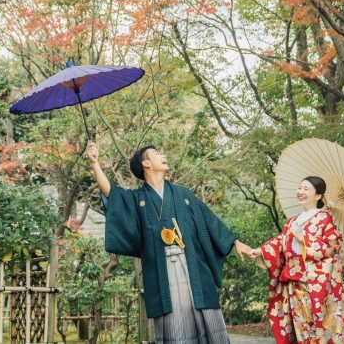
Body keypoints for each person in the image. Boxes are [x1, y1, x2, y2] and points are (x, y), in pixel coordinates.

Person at [86, 141, 253, 344]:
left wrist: (235, 242)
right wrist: (95, 162)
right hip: (162, 272)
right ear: (146, 163)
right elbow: (111, 194)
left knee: (209, 322)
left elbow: (208, 220)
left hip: (193, 268)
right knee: (175, 324)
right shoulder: (138, 199)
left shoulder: (183, 195)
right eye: (157, 153)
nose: (163, 156)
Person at [247, 176, 344, 344]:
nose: (300, 192)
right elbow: (280, 243)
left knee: (318, 327)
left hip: (314, 283)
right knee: (301, 328)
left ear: (318, 196)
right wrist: (260, 251)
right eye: (300, 188)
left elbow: (332, 247)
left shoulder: (325, 218)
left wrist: (302, 237)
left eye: (306, 189)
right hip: (293, 281)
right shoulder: (292, 221)